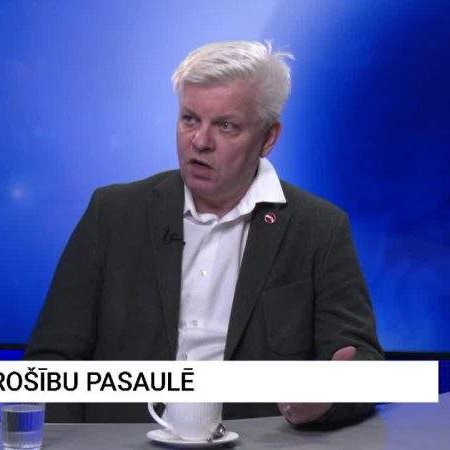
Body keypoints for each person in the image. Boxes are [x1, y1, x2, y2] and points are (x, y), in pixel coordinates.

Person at [25, 40, 383, 427]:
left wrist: (330, 398)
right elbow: (51, 362)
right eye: (189, 119)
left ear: (268, 138)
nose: (200, 141)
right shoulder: (112, 214)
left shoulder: (318, 228)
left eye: (226, 126)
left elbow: (361, 364)